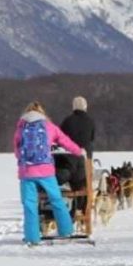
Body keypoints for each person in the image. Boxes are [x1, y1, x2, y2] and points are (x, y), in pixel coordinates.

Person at [13, 101, 84, 245]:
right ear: (42, 113)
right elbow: (65, 141)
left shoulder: (21, 128)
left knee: (29, 204)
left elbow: (17, 151)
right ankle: (66, 230)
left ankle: (32, 238)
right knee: (56, 200)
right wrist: (78, 151)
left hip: (27, 173)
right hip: (46, 171)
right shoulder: (49, 126)